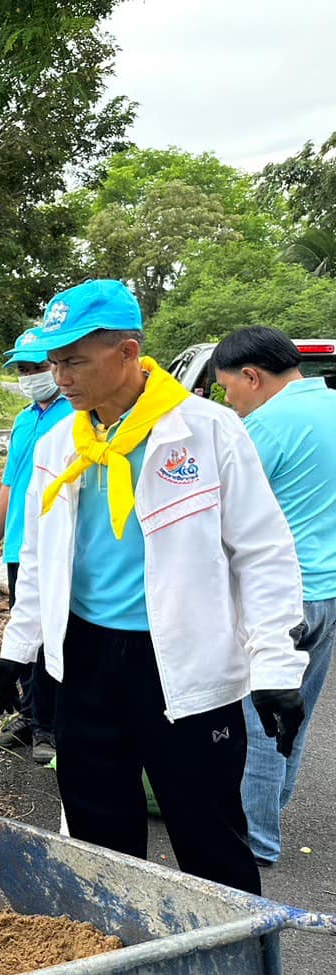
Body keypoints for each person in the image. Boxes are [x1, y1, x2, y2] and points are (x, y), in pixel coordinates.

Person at [0, 280, 307, 896]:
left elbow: (263, 551)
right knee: (98, 833)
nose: (60, 378)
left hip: (180, 660)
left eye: (75, 361)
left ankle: (233, 944)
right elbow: (40, 557)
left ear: (128, 352)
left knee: (208, 831)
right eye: (54, 363)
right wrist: (18, 646)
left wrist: (275, 663)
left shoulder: (207, 431)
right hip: (84, 658)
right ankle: (119, 943)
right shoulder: (60, 443)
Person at [210, 325, 336, 866]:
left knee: (258, 723)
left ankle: (254, 842)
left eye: (228, 389)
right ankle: (271, 813)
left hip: (280, 598)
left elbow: (219, 510)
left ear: (252, 376)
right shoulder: (332, 406)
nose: (229, 402)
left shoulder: (263, 427)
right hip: (327, 594)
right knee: (293, 713)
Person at [0, 331, 72, 764]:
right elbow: (9, 485)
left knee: (54, 638)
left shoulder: (75, 417)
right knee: (26, 636)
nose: (30, 376)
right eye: (24, 370)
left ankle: (49, 726)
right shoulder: (23, 420)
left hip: (57, 546)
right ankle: (30, 718)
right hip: (21, 547)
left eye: (37, 367)